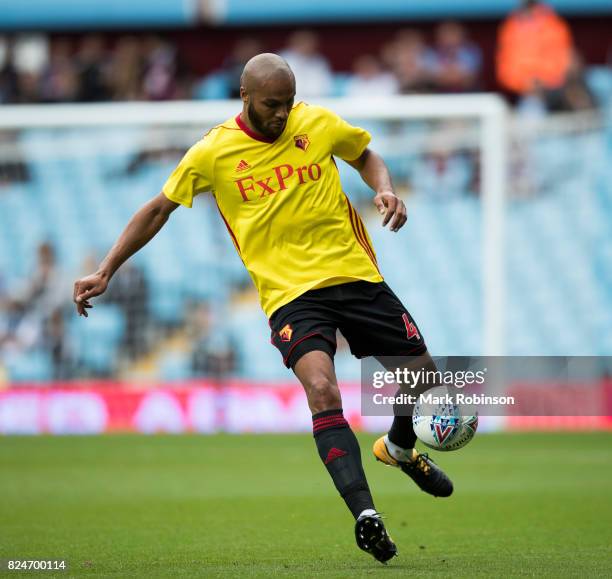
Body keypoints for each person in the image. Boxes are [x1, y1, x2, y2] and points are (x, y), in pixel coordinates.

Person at [73, 53, 452, 564]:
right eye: (272, 104)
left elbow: (365, 154)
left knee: (423, 378)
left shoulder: (314, 122)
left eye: (287, 103)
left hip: (356, 276)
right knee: (321, 389)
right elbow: (158, 208)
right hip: (290, 296)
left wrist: (384, 189)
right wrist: (106, 269)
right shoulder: (214, 152)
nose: (281, 114)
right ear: (246, 98)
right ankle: (366, 515)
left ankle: (401, 446)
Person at [497, 0, 573, 95]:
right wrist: (525, 83)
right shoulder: (509, 28)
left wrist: (545, 80)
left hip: (553, 92)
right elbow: (506, 69)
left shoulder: (554, 25)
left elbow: (562, 61)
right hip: (522, 94)